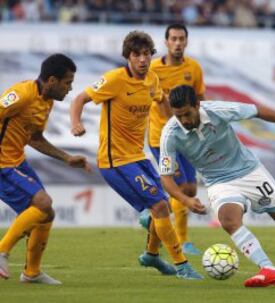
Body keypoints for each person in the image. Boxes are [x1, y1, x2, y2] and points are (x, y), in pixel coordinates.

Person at [159, 85, 275, 287]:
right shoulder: (170, 133)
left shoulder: (217, 110)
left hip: (249, 172)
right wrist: (185, 199)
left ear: (197, 104)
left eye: (187, 114)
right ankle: (268, 269)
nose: (184, 121)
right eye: (179, 116)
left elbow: (258, 111)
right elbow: (166, 177)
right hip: (218, 182)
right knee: (228, 220)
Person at [70, 31, 204, 280]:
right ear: (127, 56)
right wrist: (76, 122)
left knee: (163, 205)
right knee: (160, 205)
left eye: (146, 54)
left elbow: (161, 98)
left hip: (138, 156)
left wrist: (169, 121)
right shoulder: (114, 80)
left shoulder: (152, 79)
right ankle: (182, 265)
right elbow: (79, 98)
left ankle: (151, 255)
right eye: (136, 55)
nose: (142, 60)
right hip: (115, 160)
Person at [0, 54, 92, 285]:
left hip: (16, 161)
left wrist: (67, 158)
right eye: (67, 83)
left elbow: (35, 139)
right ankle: (2, 251)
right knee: (43, 202)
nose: (70, 89)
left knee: (46, 214)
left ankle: (32, 273)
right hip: (2, 164)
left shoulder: (46, 101)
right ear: (52, 80)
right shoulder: (21, 94)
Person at [143, 23, 206, 255]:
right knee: (179, 185)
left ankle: (150, 212)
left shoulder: (194, 68)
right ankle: (183, 241)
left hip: (186, 134)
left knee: (190, 189)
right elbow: (154, 101)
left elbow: (199, 98)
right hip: (162, 136)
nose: (178, 43)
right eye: (174, 39)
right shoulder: (154, 70)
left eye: (182, 39)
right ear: (166, 42)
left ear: (186, 42)